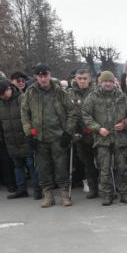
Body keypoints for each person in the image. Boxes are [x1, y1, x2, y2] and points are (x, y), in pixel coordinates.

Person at [20, 63, 78, 208]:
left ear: (50, 75)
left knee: (61, 166)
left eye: (45, 75)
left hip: (58, 136)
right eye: (40, 76)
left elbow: (72, 112)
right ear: (36, 77)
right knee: (43, 167)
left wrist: (68, 132)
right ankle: (48, 195)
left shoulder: (60, 92)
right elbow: (25, 113)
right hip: (39, 137)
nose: (43, 79)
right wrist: (28, 133)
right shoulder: (30, 92)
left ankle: (64, 194)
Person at [81, 71, 127, 206]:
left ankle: (124, 193)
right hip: (102, 139)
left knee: (122, 167)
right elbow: (85, 115)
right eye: (105, 81)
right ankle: (107, 194)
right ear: (101, 82)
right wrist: (98, 128)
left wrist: (124, 124)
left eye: (110, 81)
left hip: (119, 138)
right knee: (104, 169)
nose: (108, 83)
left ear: (113, 82)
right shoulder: (93, 97)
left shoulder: (121, 96)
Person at [0, 80, 39, 199]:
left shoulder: (22, 98)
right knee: (17, 166)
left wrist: (33, 134)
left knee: (31, 165)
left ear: (9, 89)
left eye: (3, 93)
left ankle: (38, 189)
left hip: (25, 137)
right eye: (0, 95)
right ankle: (21, 189)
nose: (2, 96)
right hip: (10, 139)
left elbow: (32, 116)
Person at [68, 69, 99, 199]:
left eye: (85, 78)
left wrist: (95, 127)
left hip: (96, 133)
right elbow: (68, 113)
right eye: (79, 78)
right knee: (87, 163)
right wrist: (72, 132)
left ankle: (107, 187)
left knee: (102, 162)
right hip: (80, 135)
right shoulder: (69, 93)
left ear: (90, 79)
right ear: (75, 79)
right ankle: (93, 189)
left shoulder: (97, 92)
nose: (82, 81)